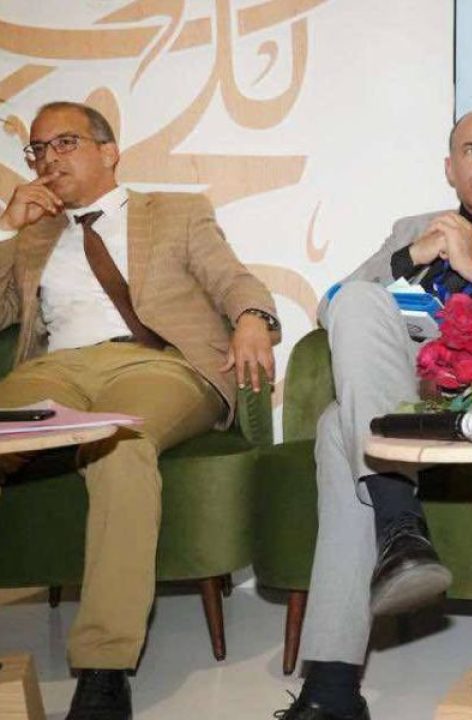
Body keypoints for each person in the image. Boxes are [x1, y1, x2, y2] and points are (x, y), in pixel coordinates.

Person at [277, 109, 472, 720]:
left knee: (337, 428)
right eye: (471, 150)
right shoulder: (411, 229)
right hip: (405, 399)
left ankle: (333, 686)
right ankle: (400, 531)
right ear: (450, 167)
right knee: (358, 311)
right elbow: (332, 307)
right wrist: (411, 256)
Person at [0, 101, 279, 720]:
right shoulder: (33, 235)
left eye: (64, 142)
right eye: (38, 149)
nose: (48, 158)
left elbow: (232, 278)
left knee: (119, 447)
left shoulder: (176, 212)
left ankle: (103, 668)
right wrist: (6, 228)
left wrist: (253, 318)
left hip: (156, 366)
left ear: (109, 151)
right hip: (54, 370)